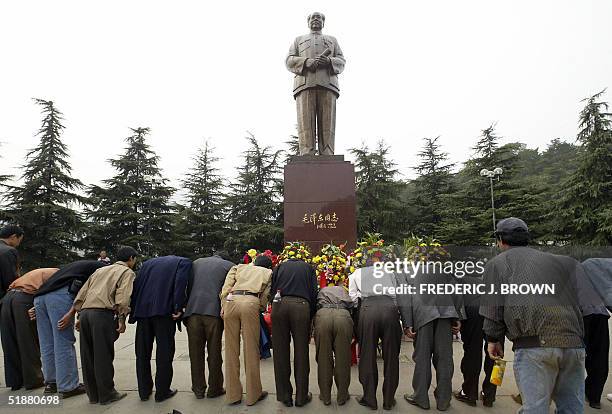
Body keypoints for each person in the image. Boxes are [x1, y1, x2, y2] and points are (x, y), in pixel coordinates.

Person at [480, 218, 590, 413]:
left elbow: (493, 307)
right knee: (572, 408)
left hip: (534, 346)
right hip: (574, 343)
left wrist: (493, 339)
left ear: (501, 240)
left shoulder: (497, 264)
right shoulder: (561, 262)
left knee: (535, 409)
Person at [73, 246, 138, 405]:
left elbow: (83, 293)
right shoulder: (127, 272)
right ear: (131, 258)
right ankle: (107, 394)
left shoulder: (100, 270)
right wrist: (122, 319)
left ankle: (93, 395)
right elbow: (123, 296)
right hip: (102, 314)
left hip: (86, 313)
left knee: (88, 356)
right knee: (103, 355)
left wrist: (80, 315)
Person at [35, 260, 108, 397]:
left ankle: (52, 383)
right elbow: (87, 292)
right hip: (59, 297)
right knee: (63, 342)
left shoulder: (75, 266)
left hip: (40, 298)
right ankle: (68, 386)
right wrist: (72, 314)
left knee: (47, 343)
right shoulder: (104, 270)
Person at [399, 262, 464, 411]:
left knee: (422, 357)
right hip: (446, 314)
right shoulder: (442, 270)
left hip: (423, 314)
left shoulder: (406, 272)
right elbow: (457, 290)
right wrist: (457, 317)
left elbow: (404, 296)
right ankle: (443, 400)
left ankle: (420, 397)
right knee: (445, 359)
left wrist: (407, 323)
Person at [129, 255, 191, 402]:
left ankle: (144, 391)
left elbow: (137, 285)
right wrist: (178, 306)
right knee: (164, 352)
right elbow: (180, 283)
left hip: (143, 312)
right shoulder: (184, 262)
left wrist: (134, 310)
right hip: (164, 312)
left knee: (142, 353)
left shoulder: (148, 263)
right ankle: (162, 392)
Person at [286, 12, 346, 155]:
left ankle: (327, 152)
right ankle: (307, 151)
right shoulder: (298, 40)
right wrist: (306, 62)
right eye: (313, 18)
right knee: (305, 120)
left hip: (328, 84)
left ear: (323, 23)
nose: (316, 20)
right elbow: (289, 60)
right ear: (308, 22)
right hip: (304, 84)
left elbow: (342, 61)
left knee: (327, 121)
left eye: (319, 18)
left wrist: (329, 61)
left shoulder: (332, 40)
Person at [349, 258, 403, 411]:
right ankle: (388, 399)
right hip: (389, 309)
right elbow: (397, 295)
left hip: (368, 309)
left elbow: (353, 298)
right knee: (392, 356)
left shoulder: (356, 273)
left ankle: (370, 398)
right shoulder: (390, 273)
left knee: (367, 355)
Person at [220, 255, 273, 406]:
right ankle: (253, 395)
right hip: (251, 302)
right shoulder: (268, 273)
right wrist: (260, 307)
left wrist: (224, 305)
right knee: (251, 350)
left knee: (230, 350)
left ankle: (233, 395)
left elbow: (226, 288)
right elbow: (265, 296)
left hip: (231, 302)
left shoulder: (237, 267)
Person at [183, 251, 234, 399]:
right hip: (213, 312)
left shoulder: (196, 262)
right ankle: (215, 388)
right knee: (214, 352)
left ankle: (198, 389)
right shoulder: (229, 266)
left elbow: (189, 285)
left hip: (193, 312)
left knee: (195, 353)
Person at [270, 256, 318, 407]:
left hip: (279, 305)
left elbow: (272, 290)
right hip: (301, 306)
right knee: (302, 353)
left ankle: (285, 396)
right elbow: (313, 292)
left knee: (280, 353)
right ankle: (301, 397)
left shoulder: (279, 267)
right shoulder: (309, 268)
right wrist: (310, 314)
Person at [0, 267, 57, 391]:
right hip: (24, 298)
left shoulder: (43, 272)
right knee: (27, 340)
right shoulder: (57, 275)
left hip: (8, 298)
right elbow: (50, 295)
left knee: (10, 340)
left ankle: (15, 380)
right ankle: (33, 379)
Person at [455, 265, 500, 407]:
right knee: (497, 358)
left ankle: (469, 393)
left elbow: (457, 300)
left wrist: (458, 320)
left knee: (472, 352)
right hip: (495, 311)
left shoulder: (461, 280)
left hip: (473, 312)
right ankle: (490, 396)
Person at [313, 285, 354, 406]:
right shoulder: (344, 291)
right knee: (343, 359)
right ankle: (342, 396)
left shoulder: (321, 291)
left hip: (323, 315)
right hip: (343, 316)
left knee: (323, 358)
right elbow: (353, 306)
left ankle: (325, 396)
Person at [580, 258, 612, 409]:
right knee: (599, 356)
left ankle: (572, 398)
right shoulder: (594, 265)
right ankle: (594, 398)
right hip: (599, 314)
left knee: (575, 358)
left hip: (581, 315)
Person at [0, 225, 23, 300]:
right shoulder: (9, 251)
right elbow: (10, 279)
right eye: (19, 239)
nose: (19, 243)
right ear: (13, 237)